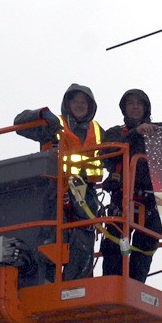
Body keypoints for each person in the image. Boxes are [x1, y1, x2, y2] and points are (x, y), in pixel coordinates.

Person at [14, 84, 104, 281]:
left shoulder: (97, 131)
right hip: (55, 191)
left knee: (83, 239)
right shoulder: (55, 125)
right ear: (67, 104)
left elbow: (116, 151)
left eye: (84, 102)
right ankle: (47, 283)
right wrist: (43, 114)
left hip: (85, 195)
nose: (80, 105)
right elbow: (19, 123)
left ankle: (76, 285)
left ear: (91, 106)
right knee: (51, 239)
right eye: (75, 101)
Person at [101, 89, 162, 283]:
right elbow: (107, 152)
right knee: (114, 247)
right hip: (122, 200)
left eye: (139, 103)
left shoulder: (158, 132)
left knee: (145, 249)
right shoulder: (115, 133)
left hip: (149, 203)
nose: (135, 106)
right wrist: (134, 133)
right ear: (124, 108)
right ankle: (111, 290)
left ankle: (135, 291)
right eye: (131, 103)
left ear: (145, 108)